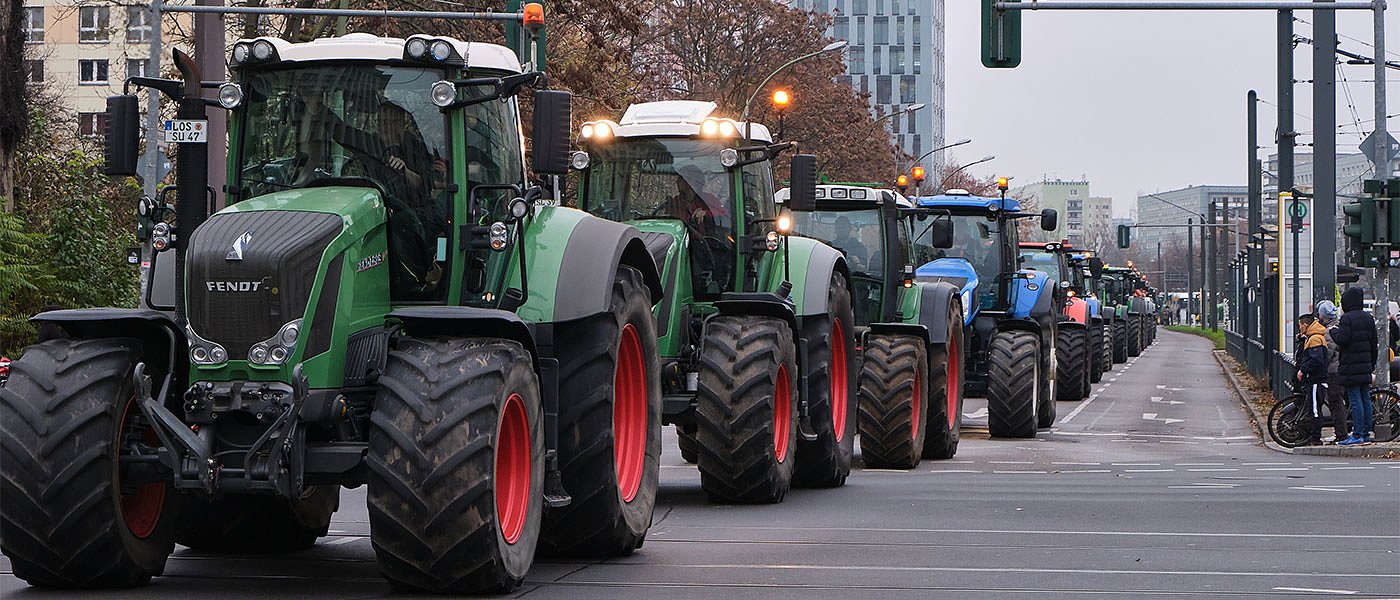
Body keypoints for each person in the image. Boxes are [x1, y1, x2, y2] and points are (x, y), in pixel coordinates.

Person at [1333, 287, 1378, 446]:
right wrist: (1371, 364)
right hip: (1365, 365)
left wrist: (1333, 332)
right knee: (1365, 398)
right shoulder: (1368, 318)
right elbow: (1374, 343)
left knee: (1355, 399)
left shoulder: (1347, 319)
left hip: (1351, 366)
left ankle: (1357, 433)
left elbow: (1343, 339)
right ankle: (1365, 432)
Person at [1293, 312, 1330, 447]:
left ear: (1305, 325)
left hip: (1316, 379)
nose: (1299, 328)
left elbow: (1316, 359)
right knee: (1315, 407)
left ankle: (1315, 438)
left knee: (1315, 409)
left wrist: (1303, 369)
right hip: (1317, 379)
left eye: (1300, 325)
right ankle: (1313, 435)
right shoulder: (1313, 337)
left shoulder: (1314, 339)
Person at [1316, 300, 1349, 443]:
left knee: (1335, 402)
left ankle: (1341, 434)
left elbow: (1327, 354)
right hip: (1341, 369)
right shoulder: (1339, 327)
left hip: (1333, 372)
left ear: (1323, 316)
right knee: (1340, 402)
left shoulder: (1329, 332)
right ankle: (1343, 431)